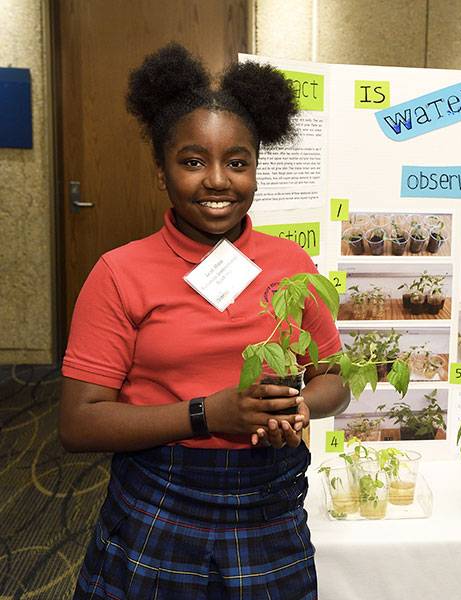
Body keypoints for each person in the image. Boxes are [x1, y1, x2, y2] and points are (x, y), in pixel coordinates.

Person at [59, 43, 349, 599]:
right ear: (161, 172)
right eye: (193, 161)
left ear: (256, 171)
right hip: (160, 500)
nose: (217, 180)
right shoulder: (120, 272)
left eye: (236, 162)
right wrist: (207, 414)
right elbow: (79, 424)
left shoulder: (290, 265)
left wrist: (301, 406)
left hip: (269, 500)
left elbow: (332, 379)